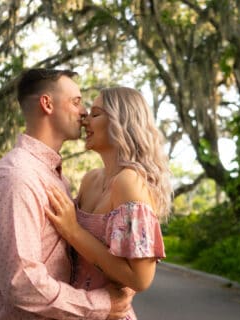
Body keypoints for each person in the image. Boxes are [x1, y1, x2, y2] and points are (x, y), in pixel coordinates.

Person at [0, 69, 134, 320]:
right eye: (76, 102)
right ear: (47, 104)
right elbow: (21, 283)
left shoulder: (55, 177)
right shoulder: (18, 177)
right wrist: (101, 305)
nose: (84, 113)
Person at [44, 86, 172, 320]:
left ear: (120, 122)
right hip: (78, 311)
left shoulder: (129, 182)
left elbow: (141, 279)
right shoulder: (91, 179)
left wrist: (74, 231)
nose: (85, 121)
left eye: (95, 114)